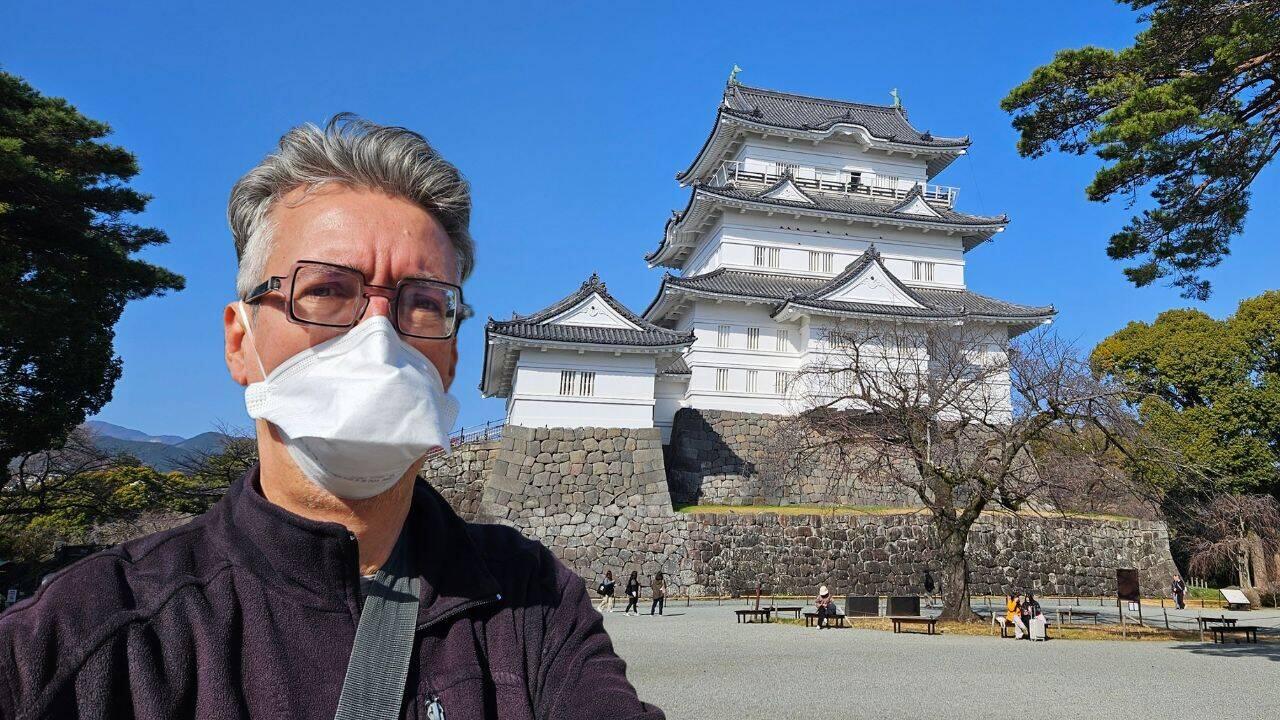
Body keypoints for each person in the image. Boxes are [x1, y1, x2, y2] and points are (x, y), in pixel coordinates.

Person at [0, 116, 663, 720]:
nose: (379, 335)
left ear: (454, 354)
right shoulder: (89, 637)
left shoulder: (529, 601)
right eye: (326, 290)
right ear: (240, 342)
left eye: (423, 303)